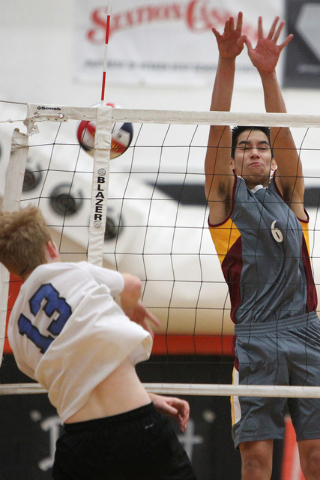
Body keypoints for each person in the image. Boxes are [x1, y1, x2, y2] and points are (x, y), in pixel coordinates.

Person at [0, 205, 197, 480]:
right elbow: (132, 285)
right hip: (138, 430)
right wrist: (130, 310)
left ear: (9, 267)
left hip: (80, 447)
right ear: (52, 247)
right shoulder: (75, 272)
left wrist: (148, 398)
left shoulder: (14, 331)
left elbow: (75, 378)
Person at [205, 12, 320, 480]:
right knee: (255, 460)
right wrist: (227, 64)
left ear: (271, 159)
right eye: (245, 146)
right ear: (233, 162)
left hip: (307, 332)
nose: (255, 150)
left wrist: (269, 74)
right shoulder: (223, 202)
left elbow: (286, 135)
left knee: (315, 455)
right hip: (255, 339)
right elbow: (215, 130)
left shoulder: (290, 194)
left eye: (262, 146)